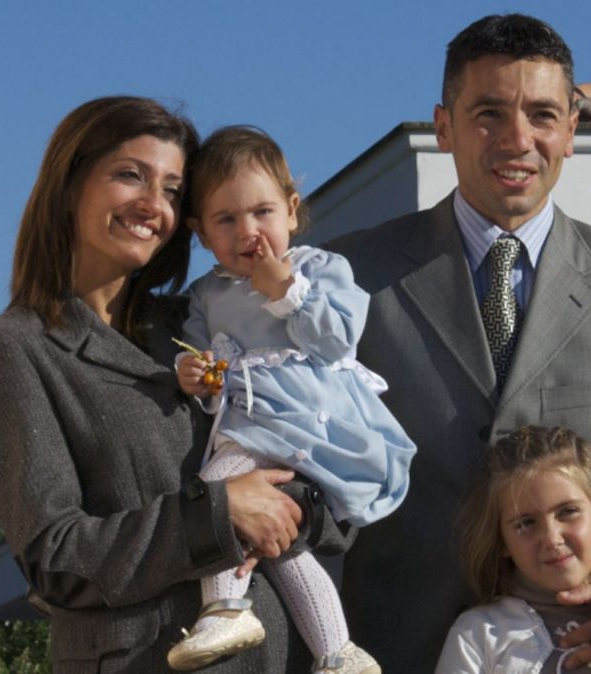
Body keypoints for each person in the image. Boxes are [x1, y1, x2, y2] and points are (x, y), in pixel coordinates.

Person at [328, 13, 591, 673]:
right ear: (444, 127)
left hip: (587, 652)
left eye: (542, 115)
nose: (518, 139)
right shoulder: (348, 279)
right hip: (388, 653)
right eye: (489, 113)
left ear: (571, 130)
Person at [0, 97, 352, 674]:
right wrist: (219, 515)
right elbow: (57, 560)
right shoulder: (9, 351)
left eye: (171, 190)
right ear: (68, 186)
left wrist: (295, 506)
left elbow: (321, 464)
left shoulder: (201, 325)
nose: (152, 204)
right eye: (129, 175)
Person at [167, 126, 414, 674]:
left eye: (262, 212)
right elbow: (204, 363)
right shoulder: (207, 295)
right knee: (283, 547)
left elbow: (338, 339)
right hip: (251, 424)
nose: (248, 231)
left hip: (310, 427)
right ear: (200, 232)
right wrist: (196, 376)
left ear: (292, 211)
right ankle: (338, 652)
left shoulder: (319, 269)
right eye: (226, 220)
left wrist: (286, 290)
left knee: (216, 494)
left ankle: (224, 608)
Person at [435, 426, 591, 673]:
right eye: (525, 523)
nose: (551, 538)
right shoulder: (478, 633)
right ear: (501, 542)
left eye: (568, 512)